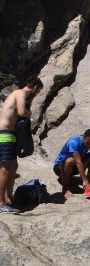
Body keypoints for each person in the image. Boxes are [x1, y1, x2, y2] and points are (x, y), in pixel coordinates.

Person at [0, 77, 43, 213]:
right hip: (4, 133)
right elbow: (21, 112)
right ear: (35, 87)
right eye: (38, 92)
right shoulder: (20, 93)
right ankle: (1, 203)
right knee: (5, 168)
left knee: (13, 166)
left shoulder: (17, 94)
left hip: (9, 133)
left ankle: (9, 198)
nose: (36, 95)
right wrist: (30, 113)